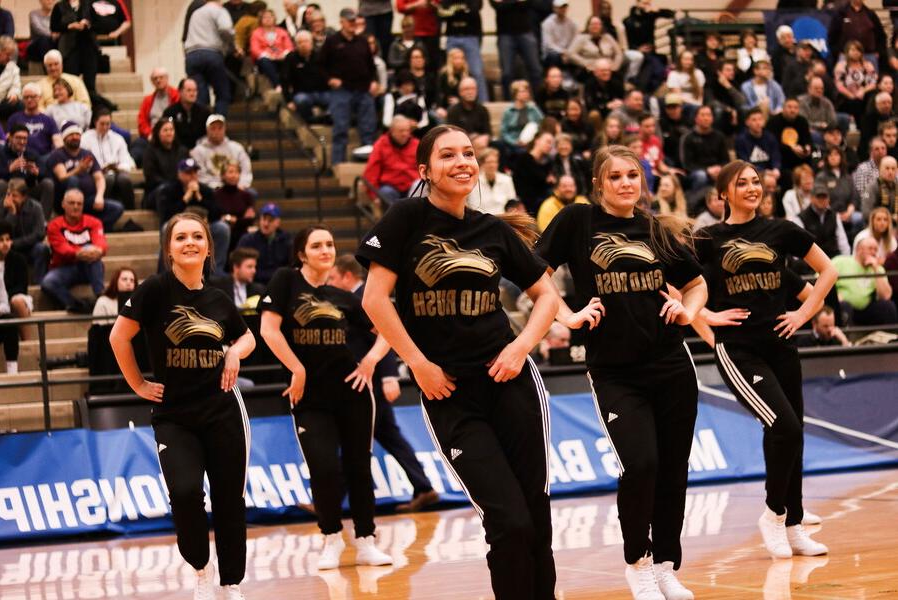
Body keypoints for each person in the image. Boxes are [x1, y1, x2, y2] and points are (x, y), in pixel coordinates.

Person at [357, 124, 559, 600]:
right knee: (507, 518)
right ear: (425, 170)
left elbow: (546, 296)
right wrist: (418, 364)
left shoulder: (492, 229)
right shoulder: (406, 218)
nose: (463, 162)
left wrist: (521, 346)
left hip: (511, 380)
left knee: (535, 510)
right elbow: (374, 301)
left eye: (468, 152)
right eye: (448, 155)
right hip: (447, 391)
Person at [537, 144, 707, 600]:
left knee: (673, 469)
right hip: (615, 372)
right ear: (598, 183)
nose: (626, 183)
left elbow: (696, 284)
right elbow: (536, 275)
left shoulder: (655, 228)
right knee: (642, 463)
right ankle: (639, 563)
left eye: (633, 175)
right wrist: (568, 316)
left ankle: (668, 564)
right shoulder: (576, 222)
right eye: (615, 177)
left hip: (672, 364)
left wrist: (688, 311)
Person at [694, 159, 836, 561]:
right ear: (724, 193)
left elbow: (826, 272)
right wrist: (705, 316)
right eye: (743, 184)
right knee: (784, 426)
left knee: (795, 435)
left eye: (757, 182)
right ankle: (774, 516)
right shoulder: (708, 238)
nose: (753, 188)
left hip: (782, 346)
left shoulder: (781, 231)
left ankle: (794, 525)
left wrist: (802, 316)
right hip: (738, 350)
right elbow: (672, 284)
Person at [110, 212, 256, 600]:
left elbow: (248, 338)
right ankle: (201, 570)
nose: (189, 242)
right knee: (186, 492)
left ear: (208, 247)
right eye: (181, 238)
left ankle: (231, 583)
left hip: (224, 410)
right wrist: (138, 384)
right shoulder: (154, 290)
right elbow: (118, 338)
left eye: (197, 236)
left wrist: (234, 354)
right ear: (169, 249)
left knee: (230, 497)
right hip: (175, 415)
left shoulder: (220, 297)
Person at [259, 225, 394, 571]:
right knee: (323, 468)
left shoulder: (345, 298)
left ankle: (365, 540)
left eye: (330, 244)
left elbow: (388, 331)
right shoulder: (285, 282)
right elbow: (268, 331)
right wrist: (297, 369)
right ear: (302, 254)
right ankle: (332, 538)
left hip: (353, 393)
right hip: (309, 395)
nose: (325, 250)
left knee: (358, 468)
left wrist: (370, 361)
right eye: (317, 245)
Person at [327, 254, 441, 512]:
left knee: (354, 440)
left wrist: (390, 377)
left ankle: (329, 502)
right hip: (365, 382)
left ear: (347, 276)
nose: (331, 283)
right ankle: (424, 487)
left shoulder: (364, 299)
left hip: (372, 383)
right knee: (390, 438)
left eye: (334, 278)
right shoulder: (352, 300)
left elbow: (388, 334)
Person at [320, 8, 378, 165]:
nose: (353, 24)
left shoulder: (363, 41)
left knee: (368, 129)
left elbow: (371, 65)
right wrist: (329, 79)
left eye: (354, 21)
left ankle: (368, 163)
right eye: (350, 21)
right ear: (342, 22)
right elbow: (321, 65)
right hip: (341, 91)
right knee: (340, 129)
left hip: (363, 89)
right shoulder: (332, 42)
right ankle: (338, 164)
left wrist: (373, 81)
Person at [159, 158, 231, 276]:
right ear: (180, 174)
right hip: (180, 228)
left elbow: (216, 213)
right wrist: (186, 198)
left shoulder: (205, 190)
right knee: (166, 227)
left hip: (203, 226)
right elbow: (167, 215)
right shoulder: (169, 190)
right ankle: (168, 270)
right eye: (188, 173)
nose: (192, 176)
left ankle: (216, 269)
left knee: (222, 228)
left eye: (194, 172)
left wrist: (199, 197)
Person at [47, 122, 124, 231]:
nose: (75, 137)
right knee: (73, 180)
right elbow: (62, 177)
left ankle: (91, 229)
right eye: (71, 134)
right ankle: (73, 222)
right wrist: (79, 169)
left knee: (117, 208)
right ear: (64, 138)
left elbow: (99, 177)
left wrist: (99, 197)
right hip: (66, 202)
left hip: (88, 200)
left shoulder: (87, 154)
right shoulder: (57, 155)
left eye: (77, 134)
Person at [43, 189, 107, 313]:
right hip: (64, 268)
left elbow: (101, 243)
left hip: (89, 267)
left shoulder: (94, 222)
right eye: (71, 203)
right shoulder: (54, 225)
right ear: (63, 204)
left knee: (92, 251)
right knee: (48, 283)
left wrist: (98, 251)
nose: (76, 207)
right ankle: (76, 305)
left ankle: (100, 296)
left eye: (79, 204)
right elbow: (63, 250)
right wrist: (81, 252)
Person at [184, 0, 235, 116]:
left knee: (200, 97)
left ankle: (201, 128)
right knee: (223, 94)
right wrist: (231, 45)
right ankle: (217, 127)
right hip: (211, 53)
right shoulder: (219, 10)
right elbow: (226, 29)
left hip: (192, 55)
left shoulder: (196, 13)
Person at [833, 237, 897, 324]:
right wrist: (834, 296)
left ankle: (893, 336)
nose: (873, 252)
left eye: (876, 249)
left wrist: (875, 269)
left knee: (888, 307)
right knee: (844, 307)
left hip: (865, 310)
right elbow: (821, 279)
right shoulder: (841, 262)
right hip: (842, 306)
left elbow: (886, 296)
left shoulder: (878, 269)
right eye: (870, 248)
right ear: (859, 249)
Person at [81, 109, 136, 210]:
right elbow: (84, 162)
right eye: (102, 124)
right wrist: (100, 169)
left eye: (108, 124)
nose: (105, 127)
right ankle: (102, 208)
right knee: (108, 178)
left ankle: (130, 210)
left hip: (117, 171)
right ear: (95, 122)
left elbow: (127, 160)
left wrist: (118, 168)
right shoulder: (85, 138)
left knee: (124, 179)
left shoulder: (117, 138)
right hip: (95, 174)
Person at [0, 178, 50, 284]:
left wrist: (16, 243)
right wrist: (12, 214)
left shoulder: (36, 207)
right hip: (8, 248)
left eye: (14, 196)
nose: (10, 199)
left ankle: (39, 283)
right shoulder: (3, 206)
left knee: (41, 249)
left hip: (29, 247)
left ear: (24, 197)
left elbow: (39, 233)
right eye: (9, 194)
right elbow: (2, 233)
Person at [0, 124, 54, 220]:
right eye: (18, 138)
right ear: (10, 137)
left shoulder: (31, 153)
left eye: (25, 138)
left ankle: (43, 222)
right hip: (8, 188)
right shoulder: (1, 153)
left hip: (27, 188)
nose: (22, 142)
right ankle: (2, 222)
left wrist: (36, 173)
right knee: (1, 184)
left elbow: (45, 174)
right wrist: (9, 170)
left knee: (48, 184)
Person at [363, 116, 419, 207]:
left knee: (421, 186)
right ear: (392, 131)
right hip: (390, 186)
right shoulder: (381, 145)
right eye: (401, 131)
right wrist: (374, 196)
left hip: (412, 185)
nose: (405, 134)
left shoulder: (416, 144)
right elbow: (371, 171)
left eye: (407, 131)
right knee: (385, 193)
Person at [490, 0, 542, 98]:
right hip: (505, 34)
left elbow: (530, 3)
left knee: (536, 70)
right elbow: (498, 6)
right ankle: (508, 103)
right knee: (506, 73)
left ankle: (539, 101)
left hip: (526, 31)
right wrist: (516, 2)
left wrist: (507, 3)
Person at [50, 0, 100, 97]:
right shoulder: (59, 6)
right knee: (71, 82)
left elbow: (97, 24)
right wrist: (69, 26)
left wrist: (87, 24)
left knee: (90, 84)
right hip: (68, 48)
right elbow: (53, 26)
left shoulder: (88, 4)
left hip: (88, 46)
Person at [0, 221, 30, 374]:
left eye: (7, 239)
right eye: (0, 240)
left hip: (12, 303)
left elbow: (21, 287)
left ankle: (13, 370)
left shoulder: (18, 259)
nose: (5, 244)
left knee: (10, 319)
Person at [190, 114, 253, 191]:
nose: (217, 131)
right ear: (207, 130)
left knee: (251, 193)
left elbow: (246, 171)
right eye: (213, 128)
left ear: (225, 129)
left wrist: (241, 185)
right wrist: (218, 187)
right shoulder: (198, 151)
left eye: (220, 128)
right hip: (211, 189)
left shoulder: (236, 148)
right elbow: (200, 175)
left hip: (236, 187)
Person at [236, 202, 292, 284]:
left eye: (270, 220)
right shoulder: (248, 240)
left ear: (278, 222)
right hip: (254, 284)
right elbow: (239, 264)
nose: (266, 224)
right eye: (264, 219)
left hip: (279, 284)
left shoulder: (286, 240)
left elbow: (291, 266)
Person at [790, 183, 851, 258]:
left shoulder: (834, 216)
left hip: (833, 260)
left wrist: (846, 260)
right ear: (811, 198)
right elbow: (798, 247)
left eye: (824, 197)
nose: (822, 200)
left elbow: (843, 242)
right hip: (812, 261)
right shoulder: (800, 218)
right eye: (819, 197)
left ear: (829, 199)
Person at [134, 68, 180, 166]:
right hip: (152, 136)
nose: (158, 80)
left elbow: (177, 117)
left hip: (170, 133)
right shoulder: (148, 100)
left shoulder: (176, 96)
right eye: (155, 79)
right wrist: (149, 134)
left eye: (161, 77)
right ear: (152, 82)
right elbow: (141, 121)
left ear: (167, 78)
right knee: (137, 146)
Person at [282, 30, 329, 123]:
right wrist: (289, 101)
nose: (303, 44)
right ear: (296, 45)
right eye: (300, 42)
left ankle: (327, 118)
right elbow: (284, 80)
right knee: (301, 101)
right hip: (302, 93)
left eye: (306, 41)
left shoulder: (320, 56)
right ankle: (310, 120)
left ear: (311, 43)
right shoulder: (291, 58)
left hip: (321, 92)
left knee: (337, 99)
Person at [679, 105, 729, 192]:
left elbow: (726, 160)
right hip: (696, 173)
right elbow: (687, 164)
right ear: (696, 118)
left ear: (712, 118)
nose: (706, 118)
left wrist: (720, 168)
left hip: (717, 171)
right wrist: (707, 170)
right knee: (701, 176)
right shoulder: (688, 138)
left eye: (709, 115)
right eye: (703, 115)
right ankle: (696, 201)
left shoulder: (719, 136)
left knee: (731, 173)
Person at [815, 146, 862, 236]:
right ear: (826, 158)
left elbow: (855, 197)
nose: (833, 157)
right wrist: (835, 215)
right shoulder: (821, 177)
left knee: (860, 218)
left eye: (836, 154)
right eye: (830, 155)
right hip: (828, 214)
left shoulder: (847, 177)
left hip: (847, 213)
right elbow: (820, 198)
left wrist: (849, 212)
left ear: (841, 157)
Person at [143, 117, 189, 200]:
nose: (169, 133)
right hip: (156, 191)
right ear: (158, 133)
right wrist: (172, 186)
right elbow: (151, 177)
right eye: (165, 130)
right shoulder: (150, 151)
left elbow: (187, 172)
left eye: (171, 130)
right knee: (165, 191)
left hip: (179, 188)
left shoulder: (182, 151)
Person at [833, 40, 878, 126]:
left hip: (864, 96)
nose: (856, 53)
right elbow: (839, 85)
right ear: (847, 51)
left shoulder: (867, 65)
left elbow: (873, 83)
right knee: (855, 103)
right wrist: (852, 96)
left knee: (872, 96)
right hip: (846, 97)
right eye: (853, 50)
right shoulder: (841, 66)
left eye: (858, 50)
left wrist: (863, 91)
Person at [162, 78, 212, 152]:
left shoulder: (204, 112)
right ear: (180, 92)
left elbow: (209, 134)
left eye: (195, 90)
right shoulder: (170, 113)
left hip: (201, 151)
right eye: (189, 90)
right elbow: (167, 134)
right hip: (176, 152)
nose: (192, 93)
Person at [513, 132, 557, 215]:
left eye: (552, 144)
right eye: (548, 142)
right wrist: (546, 179)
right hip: (527, 203)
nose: (550, 146)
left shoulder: (548, 163)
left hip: (543, 202)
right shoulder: (524, 158)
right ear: (537, 141)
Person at [767, 98, 813, 174]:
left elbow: (808, 139)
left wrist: (808, 147)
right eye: (789, 107)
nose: (792, 110)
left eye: (795, 108)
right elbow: (772, 144)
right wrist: (791, 148)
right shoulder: (773, 122)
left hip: (800, 159)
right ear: (783, 108)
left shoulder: (802, 121)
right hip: (782, 159)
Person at [249, 9, 293, 88]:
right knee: (264, 61)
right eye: (265, 17)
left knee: (290, 59)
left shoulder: (282, 31)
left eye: (270, 17)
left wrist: (283, 55)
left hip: (281, 58)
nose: (268, 19)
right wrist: (268, 56)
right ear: (261, 20)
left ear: (274, 18)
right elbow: (254, 49)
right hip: (265, 60)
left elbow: (289, 47)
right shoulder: (256, 33)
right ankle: (278, 85)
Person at [446, 77, 492, 151]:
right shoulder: (453, 111)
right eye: (467, 89)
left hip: (482, 143)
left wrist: (485, 138)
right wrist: (471, 139)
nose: (470, 92)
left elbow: (488, 132)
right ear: (460, 92)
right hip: (460, 145)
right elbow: (451, 135)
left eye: (473, 89)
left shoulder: (483, 109)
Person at [467, 147, 517, 215]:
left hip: (503, 220)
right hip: (481, 221)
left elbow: (512, 203)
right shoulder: (474, 181)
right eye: (489, 162)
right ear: (482, 164)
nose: (492, 165)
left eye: (494, 162)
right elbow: (472, 207)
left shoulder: (506, 180)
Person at [735, 109, 782, 179]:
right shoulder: (741, 140)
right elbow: (744, 162)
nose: (758, 123)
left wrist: (776, 168)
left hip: (771, 172)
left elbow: (776, 155)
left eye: (760, 119)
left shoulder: (770, 137)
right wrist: (763, 172)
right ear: (747, 122)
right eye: (754, 120)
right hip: (752, 173)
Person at [862, 155, 898, 219]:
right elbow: (866, 213)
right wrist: (889, 218)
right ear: (880, 169)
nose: (890, 172)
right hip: (876, 225)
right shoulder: (871, 187)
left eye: (893, 169)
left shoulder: (896, 185)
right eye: (887, 168)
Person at [0, 36, 21, 122]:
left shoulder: (13, 68)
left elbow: (16, 86)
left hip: (1, 104)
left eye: (11, 55)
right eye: (7, 54)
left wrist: (14, 94)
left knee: (19, 105)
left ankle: (15, 133)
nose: (10, 58)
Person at [28, 0, 56, 65]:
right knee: (44, 40)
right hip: (37, 44)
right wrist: (52, 34)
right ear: (40, 1)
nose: (50, 1)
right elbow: (38, 29)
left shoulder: (57, 14)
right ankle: (48, 65)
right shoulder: (34, 14)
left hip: (53, 42)